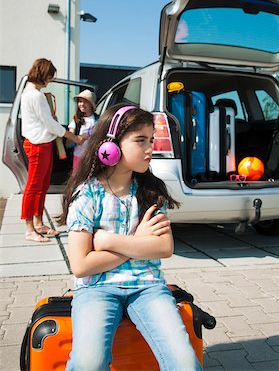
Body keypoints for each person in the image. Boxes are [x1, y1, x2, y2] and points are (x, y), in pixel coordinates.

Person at [58, 104, 203, 371]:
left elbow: (163, 247)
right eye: (140, 140)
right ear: (111, 145)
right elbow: (81, 266)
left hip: (148, 287)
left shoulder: (151, 191)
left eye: (151, 140)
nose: (150, 148)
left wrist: (106, 241)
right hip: (96, 289)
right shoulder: (88, 194)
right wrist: (139, 242)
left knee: (185, 362)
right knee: (89, 362)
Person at [21, 58, 85, 243]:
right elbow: (50, 125)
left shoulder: (31, 93)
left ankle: (39, 223)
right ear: (43, 74)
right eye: (50, 76)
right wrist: (74, 138)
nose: (50, 80)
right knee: (33, 188)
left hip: (40, 144)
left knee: (41, 187)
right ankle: (29, 229)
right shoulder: (36, 95)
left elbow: (46, 121)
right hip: (38, 145)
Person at [67, 89, 98, 173]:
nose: (82, 104)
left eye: (85, 102)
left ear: (91, 104)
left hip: (93, 159)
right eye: (80, 101)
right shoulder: (76, 121)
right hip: (78, 157)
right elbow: (68, 143)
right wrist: (78, 138)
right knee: (77, 182)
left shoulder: (98, 120)